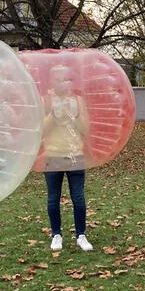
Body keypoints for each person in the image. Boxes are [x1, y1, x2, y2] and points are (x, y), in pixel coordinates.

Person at [40, 65, 93, 252]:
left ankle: (81, 235)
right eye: (58, 79)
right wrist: (53, 115)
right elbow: (41, 132)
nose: (62, 83)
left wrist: (75, 115)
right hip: (53, 156)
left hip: (75, 156)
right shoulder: (45, 100)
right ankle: (56, 234)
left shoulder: (78, 100)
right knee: (53, 198)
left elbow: (86, 130)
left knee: (78, 197)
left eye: (66, 79)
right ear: (51, 81)